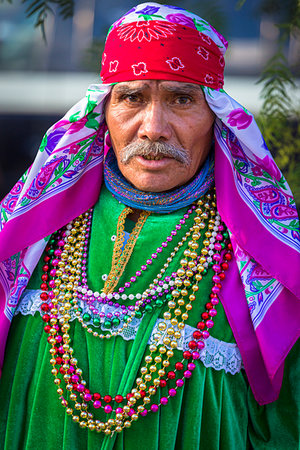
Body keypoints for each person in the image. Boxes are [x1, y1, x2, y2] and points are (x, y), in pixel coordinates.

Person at [0, 3, 299, 449]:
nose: (154, 127)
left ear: (216, 117)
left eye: (182, 99)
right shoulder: (32, 240)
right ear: (103, 112)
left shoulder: (264, 263)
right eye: (132, 98)